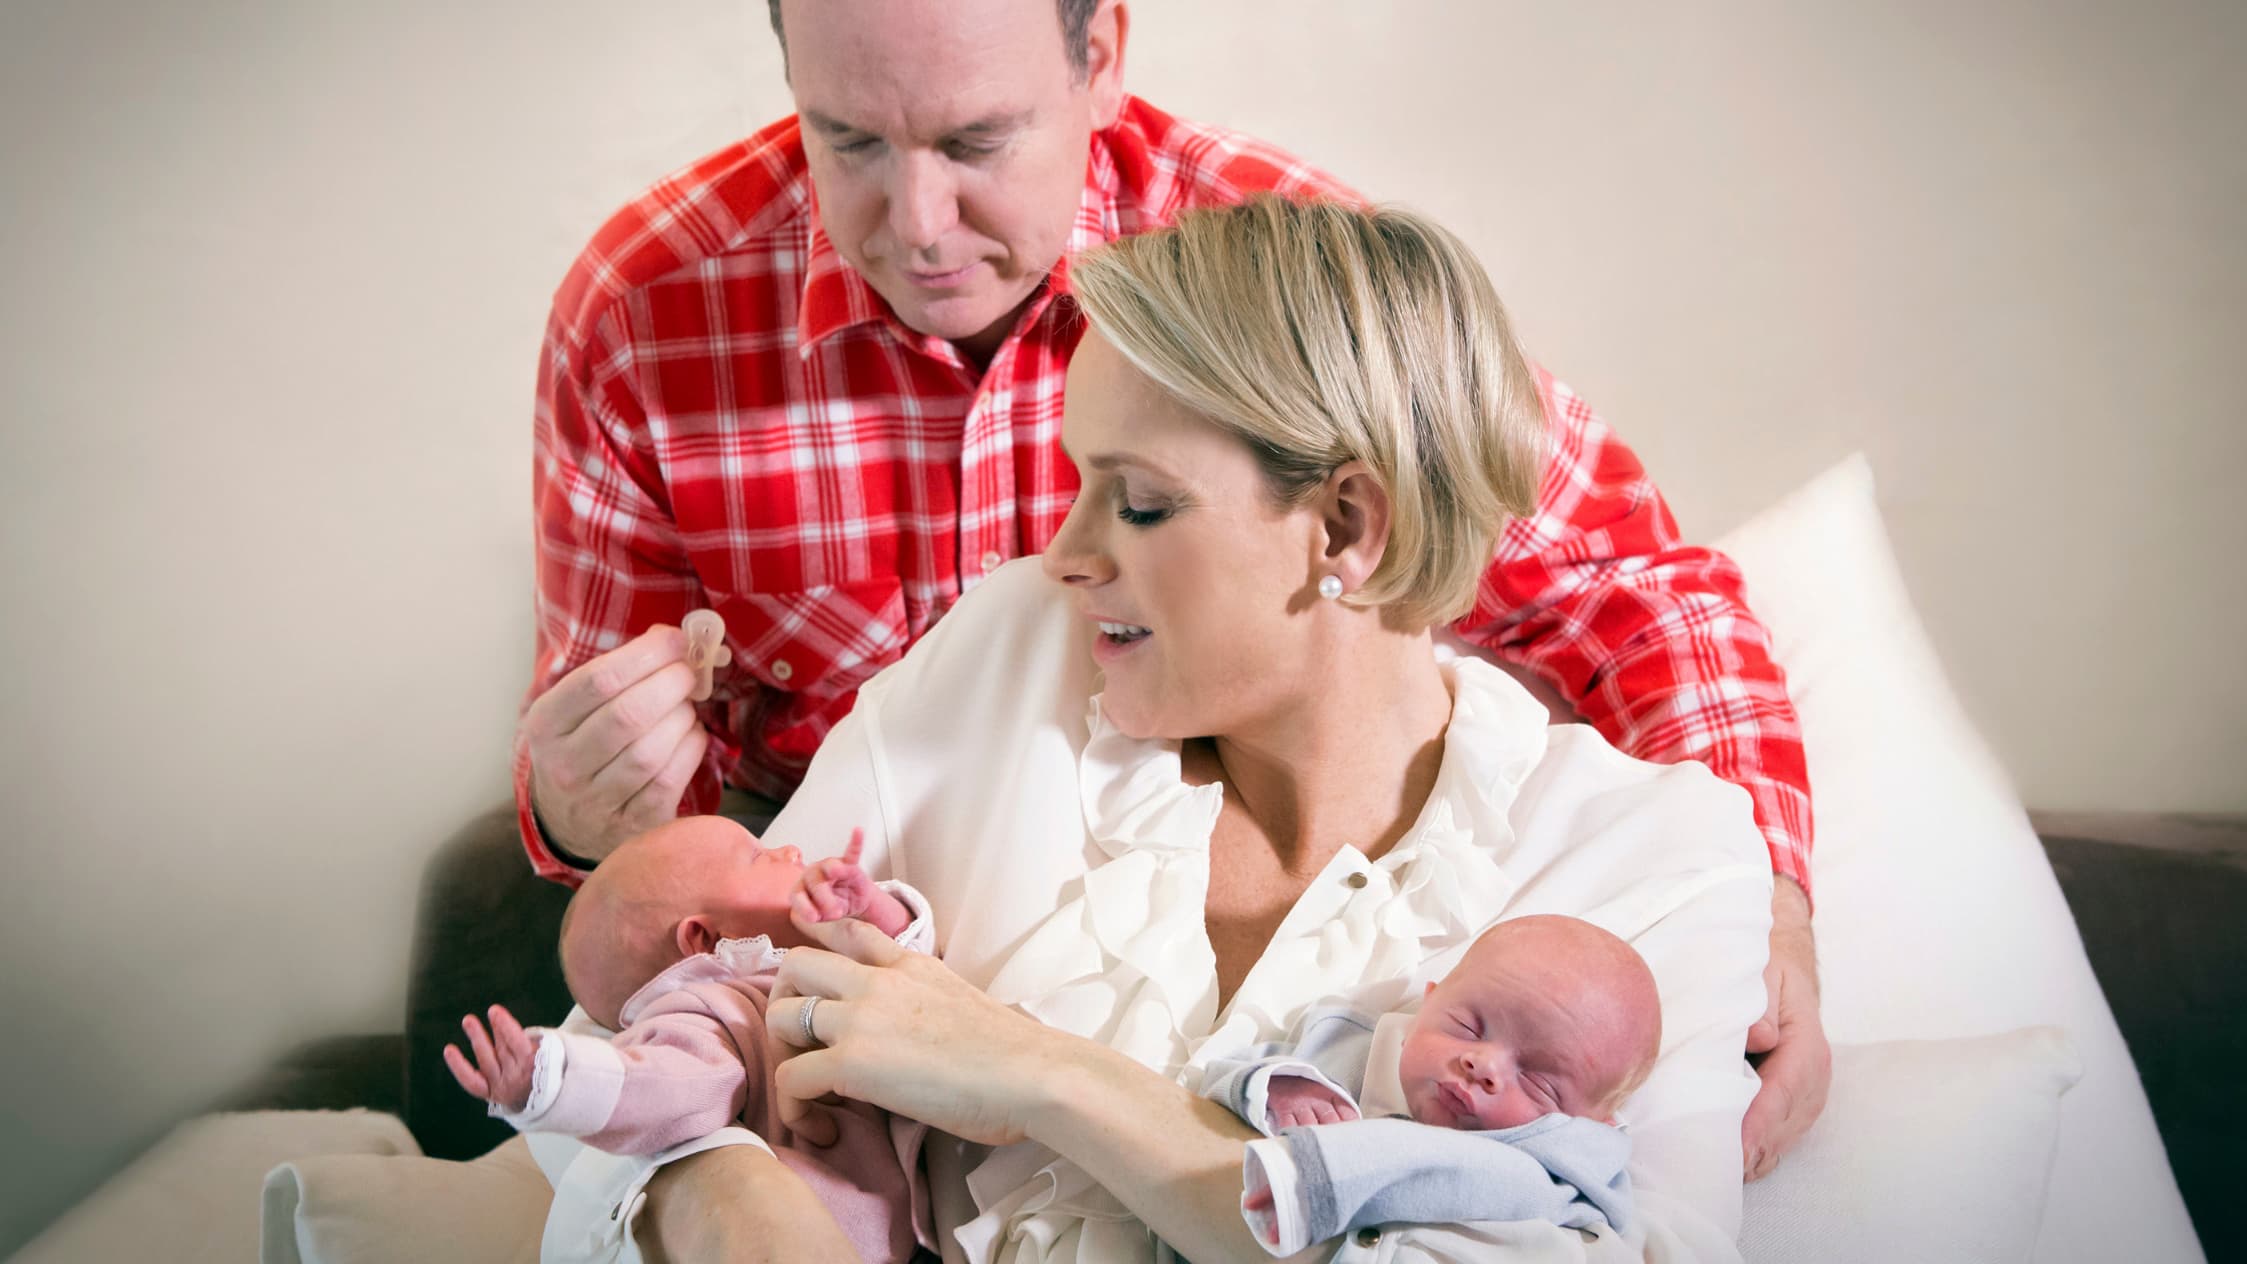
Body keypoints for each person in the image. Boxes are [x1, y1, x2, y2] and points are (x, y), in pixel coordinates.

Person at [512, 0, 1826, 1175]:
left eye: (974, 143)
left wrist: (1754, 892)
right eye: (847, 140)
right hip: (817, 853)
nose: (912, 224)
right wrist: (581, 817)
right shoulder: (644, 309)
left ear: (1100, 58)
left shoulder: (1264, 280)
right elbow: (649, 881)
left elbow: (1629, 582)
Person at [448, 816, 936, 1263]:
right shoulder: (713, 1013)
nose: (788, 849)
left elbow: (910, 973)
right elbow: (662, 1088)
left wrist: (869, 908)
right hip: (831, 1235)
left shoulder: (808, 962)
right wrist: (553, 1081)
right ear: (704, 940)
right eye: (758, 857)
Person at [1200, 915, 1662, 1255]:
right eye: (1467, 1026)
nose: (1482, 1065)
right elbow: (1212, 1080)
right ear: (1429, 1000)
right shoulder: (1343, 1045)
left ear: (1593, 1122)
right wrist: (1281, 1086)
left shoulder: (1567, 1168)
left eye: (1539, 1082)